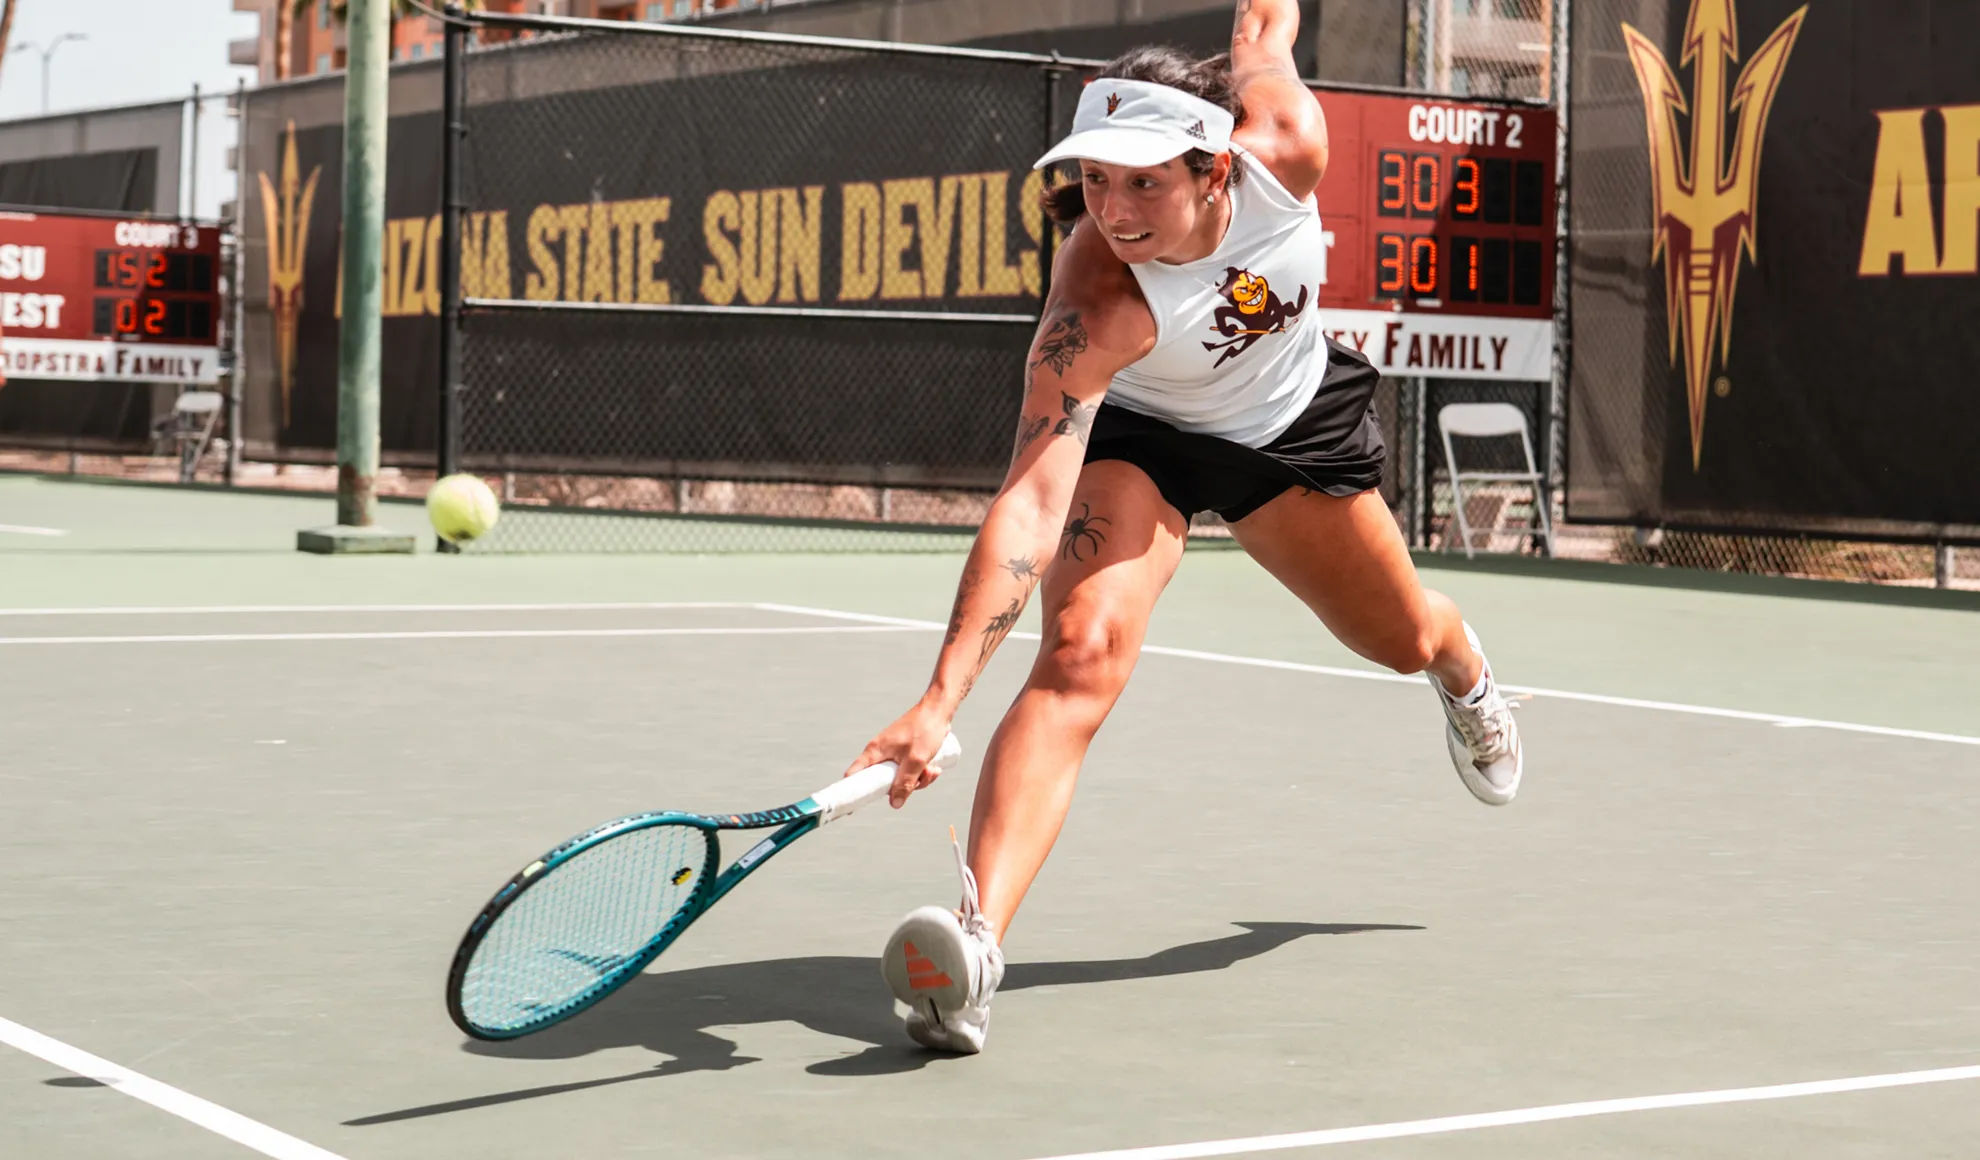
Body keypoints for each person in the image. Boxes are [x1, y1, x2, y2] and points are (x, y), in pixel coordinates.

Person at [844, 0, 1523, 1055]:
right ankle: (972, 949)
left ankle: (1463, 664)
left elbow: (1264, 39)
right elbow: (1030, 497)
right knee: (1079, 654)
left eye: (1143, 179)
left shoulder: (1287, 146)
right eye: (1095, 179)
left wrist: (1267, 27)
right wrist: (940, 698)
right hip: (1142, 434)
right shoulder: (1094, 301)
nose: (1112, 209)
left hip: (1288, 425)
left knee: (1400, 639)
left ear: (1213, 168)